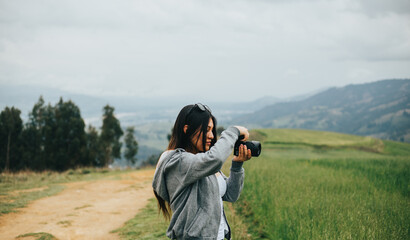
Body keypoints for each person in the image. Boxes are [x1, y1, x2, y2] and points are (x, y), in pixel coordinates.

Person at [152, 103, 252, 240]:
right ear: (187, 129)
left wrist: (237, 165)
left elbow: (231, 194)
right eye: (206, 129)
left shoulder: (201, 162)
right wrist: (233, 131)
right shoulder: (177, 161)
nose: (211, 135)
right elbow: (215, 159)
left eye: (212, 130)